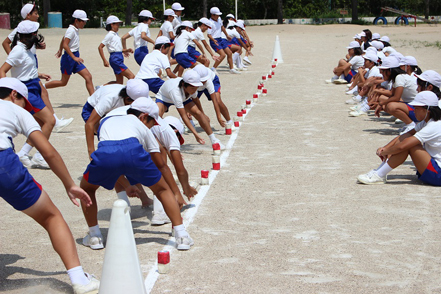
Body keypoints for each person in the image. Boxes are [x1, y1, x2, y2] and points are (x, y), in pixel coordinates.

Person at [0, 77, 100, 294]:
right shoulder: (17, 111)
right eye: (23, 102)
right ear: (14, 94)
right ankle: (79, 280)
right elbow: (48, 151)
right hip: (3, 163)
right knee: (51, 217)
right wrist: (69, 184)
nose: (25, 108)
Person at [80, 98, 194, 250]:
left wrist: (127, 185)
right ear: (143, 117)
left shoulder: (106, 122)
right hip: (134, 151)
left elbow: (113, 158)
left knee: (86, 189)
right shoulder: (143, 127)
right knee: (162, 190)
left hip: (106, 153)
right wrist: (175, 192)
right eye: (153, 122)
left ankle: (95, 237)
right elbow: (161, 165)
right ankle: (182, 236)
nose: (153, 126)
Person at [1, 3, 73, 133]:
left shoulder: (31, 33)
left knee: (43, 94)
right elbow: (5, 42)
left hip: (31, 65)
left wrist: (36, 47)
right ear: (28, 15)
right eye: (35, 13)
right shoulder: (21, 29)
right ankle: (54, 121)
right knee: (41, 100)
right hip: (25, 72)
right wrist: (14, 59)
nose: (38, 15)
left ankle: (53, 121)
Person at [0, 20, 54, 169]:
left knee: (41, 124)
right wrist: (7, 89)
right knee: (50, 121)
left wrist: (39, 74)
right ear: (31, 35)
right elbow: (2, 70)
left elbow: (24, 68)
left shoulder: (28, 48)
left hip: (33, 85)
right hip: (27, 89)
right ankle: (38, 156)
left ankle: (24, 153)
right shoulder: (18, 50)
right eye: (35, 33)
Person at [358, 91, 441, 186]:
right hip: (434, 169)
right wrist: (385, 148)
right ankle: (379, 171)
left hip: (438, 174)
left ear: (427, 110)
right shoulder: (427, 121)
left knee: (408, 145)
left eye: (416, 108)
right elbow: (406, 134)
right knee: (406, 140)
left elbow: (402, 146)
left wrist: (386, 152)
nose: (414, 111)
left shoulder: (435, 125)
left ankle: (379, 175)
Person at [155, 70, 224, 148]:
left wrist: (203, 114)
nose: (194, 90)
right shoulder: (175, 91)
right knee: (156, 117)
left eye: (196, 88)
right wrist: (196, 134)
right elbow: (183, 115)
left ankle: (214, 140)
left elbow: (197, 101)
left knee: (198, 113)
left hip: (184, 98)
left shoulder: (192, 89)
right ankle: (157, 142)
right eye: (192, 88)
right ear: (184, 84)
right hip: (164, 98)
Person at [45, 10, 94, 95]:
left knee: (88, 77)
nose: (85, 23)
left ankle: (93, 99)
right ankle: (42, 86)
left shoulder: (75, 29)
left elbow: (64, 39)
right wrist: (73, 57)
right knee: (63, 82)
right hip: (69, 58)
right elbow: (65, 44)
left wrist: (60, 50)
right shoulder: (71, 30)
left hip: (74, 57)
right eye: (83, 21)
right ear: (76, 20)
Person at [99, 15, 135, 84]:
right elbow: (100, 47)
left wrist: (126, 50)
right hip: (115, 59)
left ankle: (100, 88)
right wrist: (104, 60)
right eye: (117, 24)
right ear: (112, 25)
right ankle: (129, 93)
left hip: (118, 57)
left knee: (119, 83)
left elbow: (117, 49)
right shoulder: (110, 35)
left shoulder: (115, 34)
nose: (118, 26)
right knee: (131, 76)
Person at [207, 7, 240, 74]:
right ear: (212, 15)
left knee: (229, 53)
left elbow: (222, 27)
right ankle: (213, 69)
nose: (218, 16)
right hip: (214, 41)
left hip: (220, 39)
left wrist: (227, 35)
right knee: (223, 55)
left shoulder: (219, 19)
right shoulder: (210, 23)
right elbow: (208, 35)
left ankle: (231, 69)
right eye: (217, 15)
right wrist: (213, 40)